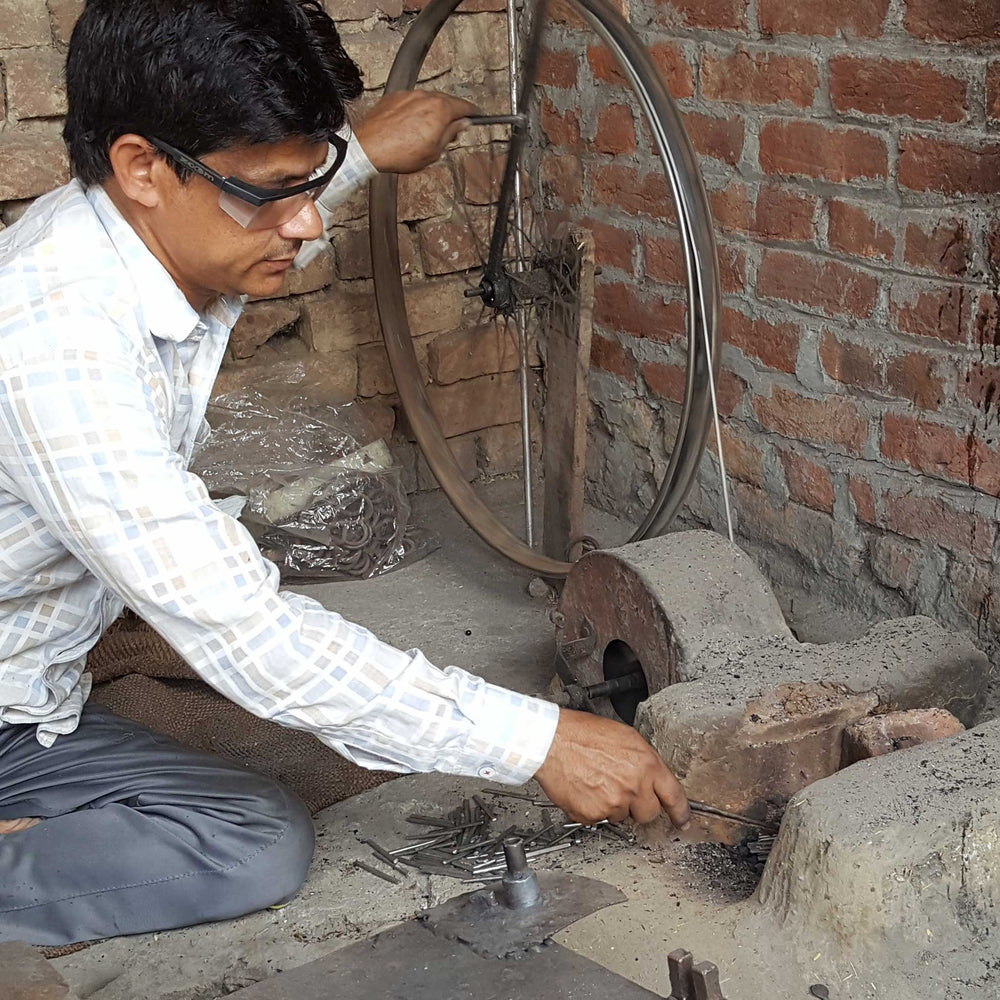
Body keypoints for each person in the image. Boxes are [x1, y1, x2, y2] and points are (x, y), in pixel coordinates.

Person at [0, 0, 690, 947]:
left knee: (329, 732)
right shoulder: (55, 342)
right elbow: (245, 629)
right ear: (141, 167)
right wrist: (538, 741)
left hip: (35, 694)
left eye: (310, 182)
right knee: (255, 843)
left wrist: (359, 151)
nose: (303, 224)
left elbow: (258, 207)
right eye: (272, 193)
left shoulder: (130, 235)